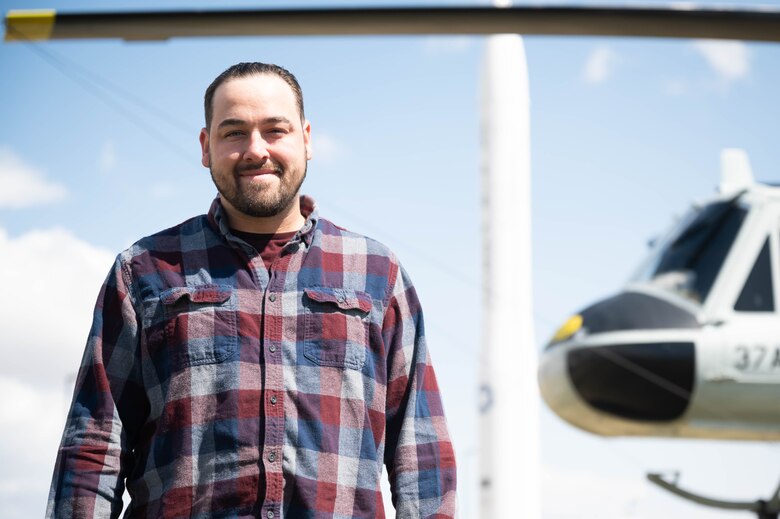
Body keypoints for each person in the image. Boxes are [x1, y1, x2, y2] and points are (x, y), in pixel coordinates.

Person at [46, 62, 457, 518]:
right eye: (234, 133)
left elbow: (422, 454)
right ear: (206, 147)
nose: (256, 150)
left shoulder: (377, 274)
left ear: (306, 139)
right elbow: (93, 447)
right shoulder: (143, 271)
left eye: (274, 130)